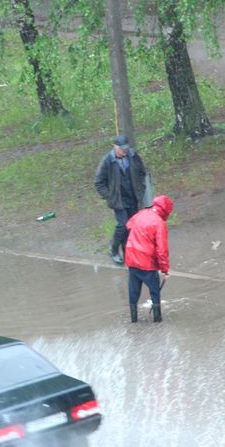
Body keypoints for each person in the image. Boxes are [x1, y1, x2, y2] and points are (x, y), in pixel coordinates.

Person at [94, 135, 148, 265]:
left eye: (126, 148)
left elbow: (142, 172)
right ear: (115, 147)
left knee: (131, 227)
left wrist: (142, 188)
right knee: (123, 225)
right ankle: (113, 250)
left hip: (133, 197)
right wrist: (110, 196)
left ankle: (128, 252)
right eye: (122, 149)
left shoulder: (133, 155)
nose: (125, 151)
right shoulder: (107, 161)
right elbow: (99, 183)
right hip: (118, 200)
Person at [124, 195, 173, 323]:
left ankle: (133, 320)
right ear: (166, 210)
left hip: (131, 258)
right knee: (155, 292)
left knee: (133, 291)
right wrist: (164, 269)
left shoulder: (141, 213)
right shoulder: (159, 223)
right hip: (147, 263)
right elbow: (162, 250)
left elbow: (128, 225)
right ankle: (157, 321)